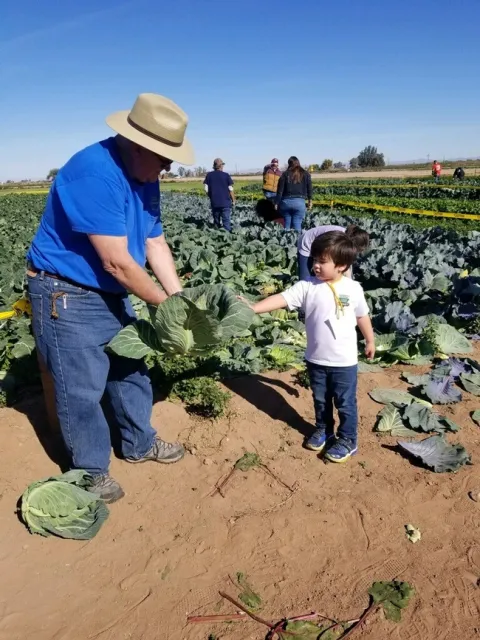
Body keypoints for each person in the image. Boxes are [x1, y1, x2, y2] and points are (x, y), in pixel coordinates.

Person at [26, 93, 195, 503]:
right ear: (138, 145)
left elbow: (154, 242)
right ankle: (90, 471)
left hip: (111, 291)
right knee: (80, 389)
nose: (168, 166)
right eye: (163, 156)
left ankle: (138, 444)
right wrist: (167, 309)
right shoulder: (94, 172)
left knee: (130, 372)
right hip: (67, 293)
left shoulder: (145, 177)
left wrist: (181, 300)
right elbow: (116, 262)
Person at [249, 231, 375, 463]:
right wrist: (254, 307)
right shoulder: (307, 286)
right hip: (316, 359)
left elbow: (362, 316)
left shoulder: (354, 288)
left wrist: (370, 339)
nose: (315, 265)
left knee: (345, 403)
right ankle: (324, 429)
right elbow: (282, 298)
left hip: (344, 362)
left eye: (322, 261)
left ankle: (348, 439)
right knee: (320, 399)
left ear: (342, 266)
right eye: (315, 260)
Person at [297, 224, 369, 281]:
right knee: (305, 278)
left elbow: (347, 264)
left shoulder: (346, 239)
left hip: (321, 246)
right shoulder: (336, 237)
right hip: (307, 243)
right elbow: (320, 250)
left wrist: (350, 282)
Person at [275, 156, 313, 231]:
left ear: (289, 164)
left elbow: (280, 191)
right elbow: (310, 189)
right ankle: (297, 240)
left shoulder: (284, 175)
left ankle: (285, 241)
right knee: (297, 222)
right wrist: (310, 201)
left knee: (286, 223)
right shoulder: (306, 174)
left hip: (285, 203)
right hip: (299, 203)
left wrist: (276, 203)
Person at [203, 158, 235, 232]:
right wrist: (233, 200)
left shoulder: (209, 175)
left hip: (215, 203)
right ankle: (227, 238)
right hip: (225, 203)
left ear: (214, 166)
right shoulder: (226, 175)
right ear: (221, 166)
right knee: (226, 222)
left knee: (216, 222)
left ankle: (216, 238)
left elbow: (206, 189)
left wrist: (211, 197)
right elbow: (231, 189)